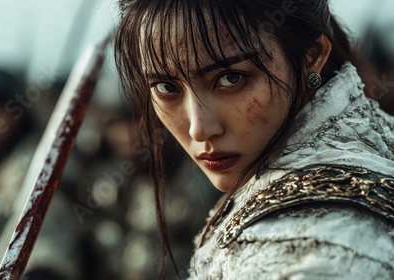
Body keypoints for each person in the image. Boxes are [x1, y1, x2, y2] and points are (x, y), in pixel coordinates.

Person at [114, 0, 394, 279]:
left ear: (312, 55)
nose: (199, 129)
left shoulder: (319, 250)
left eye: (230, 78)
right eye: (166, 87)